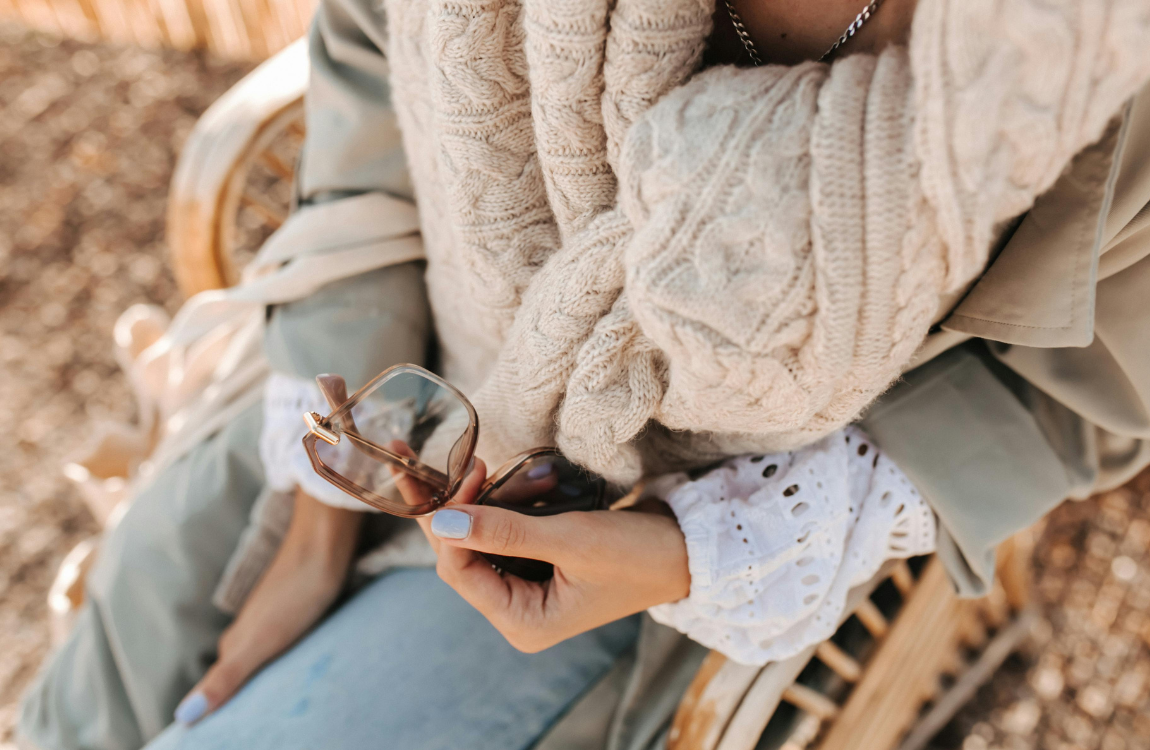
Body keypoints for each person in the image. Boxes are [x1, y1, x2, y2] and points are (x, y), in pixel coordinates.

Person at [19, 0, 1150, 748]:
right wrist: (322, 511)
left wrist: (694, 550)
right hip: (386, 388)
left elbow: (1089, 380)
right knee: (88, 708)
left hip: (653, 545)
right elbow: (366, 60)